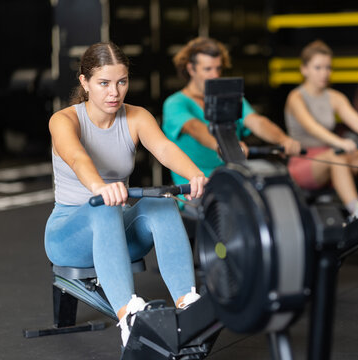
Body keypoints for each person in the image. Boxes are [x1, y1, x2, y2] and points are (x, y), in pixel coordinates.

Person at [44, 42, 208, 348]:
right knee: (105, 205)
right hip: (68, 236)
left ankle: (189, 304)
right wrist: (100, 188)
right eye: (104, 83)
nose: (114, 93)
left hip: (118, 233)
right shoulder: (64, 120)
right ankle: (129, 318)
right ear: (84, 82)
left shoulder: (136, 116)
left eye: (121, 82)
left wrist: (195, 175)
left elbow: (164, 148)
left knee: (161, 202)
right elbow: (79, 158)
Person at [162, 37, 302, 188]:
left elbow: (256, 121)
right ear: (191, 69)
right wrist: (227, 146)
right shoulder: (175, 103)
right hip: (198, 189)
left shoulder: (229, 98)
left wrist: (283, 140)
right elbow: (195, 128)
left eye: (218, 68)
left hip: (234, 181)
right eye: (208, 69)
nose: (215, 75)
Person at [284, 40, 358, 219]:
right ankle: (356, 210)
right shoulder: (295, 97)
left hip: (334, 157)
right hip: (304, 162)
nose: (324, 73)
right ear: (304, 69)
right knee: (335, 155)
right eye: (318, 67)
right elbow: (311, 127)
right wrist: (340, 142)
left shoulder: (334, 97)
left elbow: (357, 122)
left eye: (328, 67)